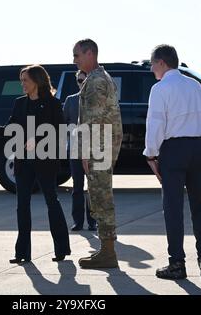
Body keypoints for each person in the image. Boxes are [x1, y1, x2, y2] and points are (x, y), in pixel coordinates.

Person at [144, 45, 201, 280]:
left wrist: (151, 154)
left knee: (173, 209)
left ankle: (177, 265)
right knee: (200, 207)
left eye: (152, 63)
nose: (151, 67)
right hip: (198, 147)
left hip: (173, 149)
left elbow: (155, 124)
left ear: (162, 62)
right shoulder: (195, 85)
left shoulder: (160, 88)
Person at [6, 65, 71, 264]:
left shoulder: (53, 103)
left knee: (51, 201)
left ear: (37, 81)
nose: (22, 84)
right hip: (23, 162)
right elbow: (11, 127)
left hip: (45, 161)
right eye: (22, 80)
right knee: (22, 205)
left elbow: (60, 131)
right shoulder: (19, 103)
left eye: (25, 80)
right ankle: (22, 252)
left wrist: (39, 139)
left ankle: (61, 249)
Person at [73, 39, 123, 269]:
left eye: (77, 55)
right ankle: (106, 250)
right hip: (103, 146)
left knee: (101, 198)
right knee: (100, 197)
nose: (74, 60)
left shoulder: (95, 81)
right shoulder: (100, 77)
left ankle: (108, 253)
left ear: (90, 53)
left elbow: (92, 121)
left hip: (98, 148)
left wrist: (84, 152)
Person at [63, 70, 97, 232]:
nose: (81, 83)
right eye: (79, 80)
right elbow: (63, 124)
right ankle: (78, 221)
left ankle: (92, 221)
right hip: (75, 150)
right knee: (77, 187)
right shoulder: (70, 101)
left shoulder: (97, 100)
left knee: (92, 187)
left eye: (84, 80)